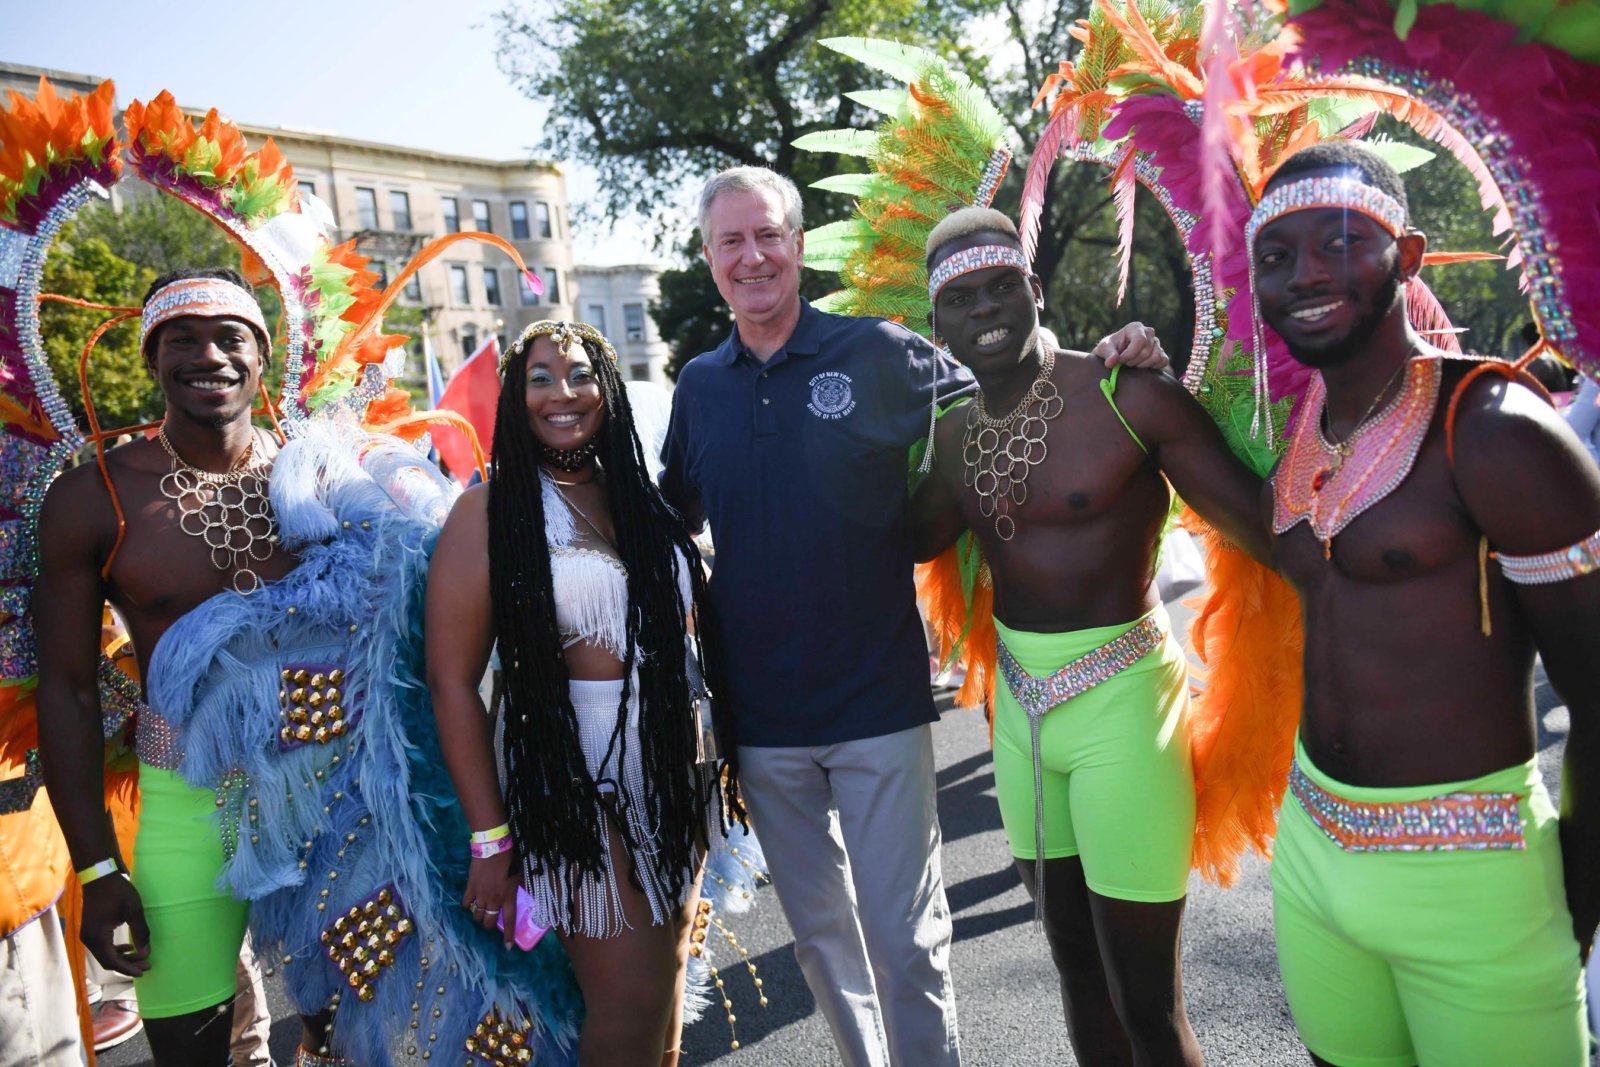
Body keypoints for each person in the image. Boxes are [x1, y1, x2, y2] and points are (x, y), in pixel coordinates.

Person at [661, 165, 1166, 1067]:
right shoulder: (699, 387)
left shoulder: (879, 352)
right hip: (763, 721)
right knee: (820, 937)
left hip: (878, 704)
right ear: (709, 260)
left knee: (905, 937)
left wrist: (1109, 355)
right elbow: (667, 518)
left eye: (769, 234)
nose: (753, 256)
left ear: (800, 244)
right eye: (731, 241)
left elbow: (1013, 381)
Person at [1254, 140, 1598, 1066]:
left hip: (1478, 878)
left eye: (1335, 243)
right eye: (1275, 258)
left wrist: (1574, 899)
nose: (1304, 276)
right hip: (1312, 856)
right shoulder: (1304, 436)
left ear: (1406, 257)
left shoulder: (1492, 428)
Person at [910, 206, 1267, 1066]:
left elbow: (1270, 527)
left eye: (1002, 286)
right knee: (1074, 968)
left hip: (1126, 712)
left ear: (1035, 289)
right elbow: (891, 538)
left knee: (1147, 996)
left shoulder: (1127, 394)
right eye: (961, 298)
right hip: (1023, 720)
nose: (985, 309)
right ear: (938, 325)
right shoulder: (954, 438)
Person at [427, 320, 726, 1067]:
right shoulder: (489, 512)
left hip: (671, 770)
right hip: (572, 781)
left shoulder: (637, 498)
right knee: (627, 1011)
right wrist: (490, 837)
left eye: (581, 373)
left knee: (664, 1002)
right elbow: (453, 682)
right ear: (512, 395)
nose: (563, 392)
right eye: (539, 377)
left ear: (610, 389)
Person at [34, 267, 303, 1064]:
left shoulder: (318, 475)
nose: (208, 356)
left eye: (230, 337)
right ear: (152, 357)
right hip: (186, 806)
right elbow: (69, 689)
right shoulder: (94, 497)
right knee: (189, 1050)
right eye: (181, 339)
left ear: (262, 355)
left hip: (328, 797)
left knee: (347, 1038)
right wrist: (96, 865)